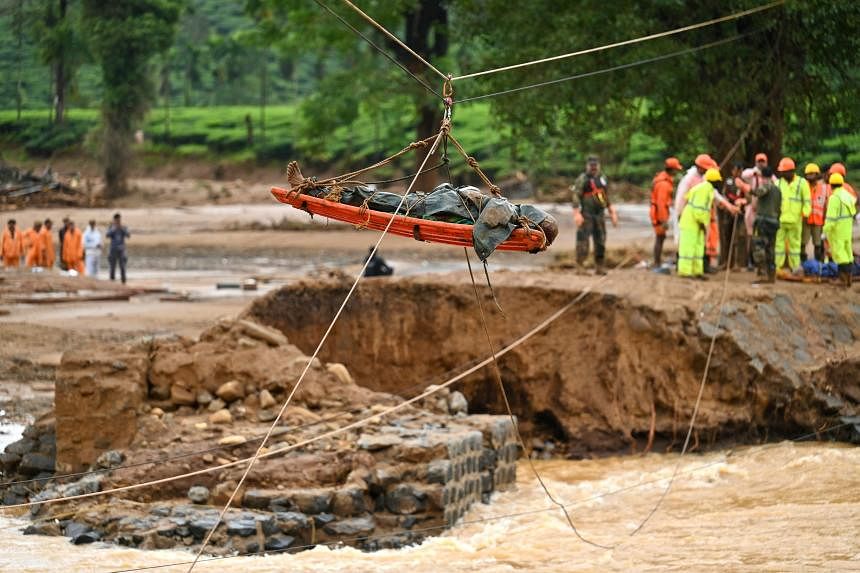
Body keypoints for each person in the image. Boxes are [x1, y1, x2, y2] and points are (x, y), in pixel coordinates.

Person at [572, 156, 618, 275]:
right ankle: (580, 266)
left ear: (598, 166)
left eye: (595, 165)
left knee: (601, 240)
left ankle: (600, 266)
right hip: (586, 214)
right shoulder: (582, 179)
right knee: (583, 240)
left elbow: (606, 195)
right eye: (591, 166)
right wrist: (577, 214)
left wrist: (612, 212)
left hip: (600, 214)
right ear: (587, 166)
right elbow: (576, 196)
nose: (593, 168)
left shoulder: (602, 178)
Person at [677, 168, 723, 279]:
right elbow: (698, 209)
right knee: (688, 247)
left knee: (698, 247)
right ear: (714, 181)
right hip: (691, 221)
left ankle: (697, 271)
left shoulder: (707, 188)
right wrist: (703, 223)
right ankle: (685, 272)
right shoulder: (704, 189)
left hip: (697, 222)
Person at [775, 157, 811, 272]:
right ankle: (778, 266)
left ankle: (794, 266)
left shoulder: (802, 183)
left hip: (796, 221)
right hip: (781, 220)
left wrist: (805, 213)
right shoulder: (778, 183)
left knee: (795, 245)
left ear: (791, 171)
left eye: (784, 172)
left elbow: (807, 201)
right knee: (779, 245)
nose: (782, 174)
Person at [823, 172, 857, 288]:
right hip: (847, 229)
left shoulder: (834, 198)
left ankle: (842, 280)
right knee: (848, 253)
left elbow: (831, 218)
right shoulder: (847, 196)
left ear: (831, 185)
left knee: (840, 253)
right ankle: (849, 278)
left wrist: (825, 231)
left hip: (837, 230)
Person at [673, 154, 714, 245]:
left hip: (697, 218)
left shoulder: (703, 179)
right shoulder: (689, 179)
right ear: (700, 167)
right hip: (686, 216)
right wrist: (680, 214)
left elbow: (713, 193)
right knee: (684, 241)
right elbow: (681, 199)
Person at [750, 166, 782, 284]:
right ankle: (771, 275)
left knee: (759, 247)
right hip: (774, 222)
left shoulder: (766, 185)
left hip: (764, 221)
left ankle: (763, 274)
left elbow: (758, 192)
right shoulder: (778, 190)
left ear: (762, 176)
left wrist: (746, 188)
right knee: (771, 249)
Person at [650, 157, 682, 267]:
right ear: (671, 169)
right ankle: (656, 263)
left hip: (659, 211)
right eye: (676, 170)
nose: (677, 172)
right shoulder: (663, 184)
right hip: (658, 213)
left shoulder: (664, 180)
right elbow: (660, 203)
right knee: (660, 237)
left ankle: (657, 261)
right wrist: (663, 220)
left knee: (661, 237)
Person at [720, 163, 751, 269]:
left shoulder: (745, 183)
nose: (737, 173)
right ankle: (727, 262)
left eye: (739, 170)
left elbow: (749, 197)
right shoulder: (728, 181)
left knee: (739, 237)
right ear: (732, 171)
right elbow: (724, 195)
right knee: (727, 237)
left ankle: (739, 263)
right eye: (736, 170)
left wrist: (743, 201)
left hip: (740, 214)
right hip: (729, 213)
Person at [802, 163, 829, 262]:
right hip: (805, 219)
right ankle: (803, 262)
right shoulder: (803, 186)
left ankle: (819, 263)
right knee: (803, 242)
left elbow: (826, 204)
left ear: (817, 175)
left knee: (818, 243)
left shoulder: (823, 188)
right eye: (808, 174)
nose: (809, 176)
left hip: (818, 220)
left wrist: (825, 219)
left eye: (812, 174)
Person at [106, 212, 130, 283]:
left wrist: (121, 228)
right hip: (113, 250)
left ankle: (123, 282)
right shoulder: (111, 227)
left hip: (121, 250)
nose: (117, 221)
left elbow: (128, 235)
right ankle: (112, 281)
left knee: (123, 267)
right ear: (114, 220)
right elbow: (107, 235)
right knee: (112, 267)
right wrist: (114, 228)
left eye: (119, 220)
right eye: (116, 220)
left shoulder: (123, 227)